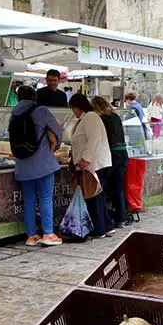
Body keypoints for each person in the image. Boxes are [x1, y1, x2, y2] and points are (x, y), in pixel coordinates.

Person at [11, 86, 63, 247]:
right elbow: (57, 130)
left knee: (29, 200)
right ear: (34, 97)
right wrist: (57, 144)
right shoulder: (42, 111)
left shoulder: (13, 113)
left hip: (22, 164)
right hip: (43, 163)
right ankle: (48, 233)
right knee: (46, 197)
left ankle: (31, 236)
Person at [69, 94, 114, 239]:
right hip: (93, 163)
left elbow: (93, 139)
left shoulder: (90, 117)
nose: (73, 112)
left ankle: (99, 228)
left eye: (73, 108)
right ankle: (105, 226)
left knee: (93, 196)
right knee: (97, 196)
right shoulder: (86, 118)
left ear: (77, 107)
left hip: (94, 164)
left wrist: (85, 159)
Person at [92, 96, 129, 228]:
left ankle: (105, 219)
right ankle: (121, 218)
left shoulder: (101, 119)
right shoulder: (115, 115)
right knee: (118, 188)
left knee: (104, 187)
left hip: (111, 153)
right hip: (123, 153)